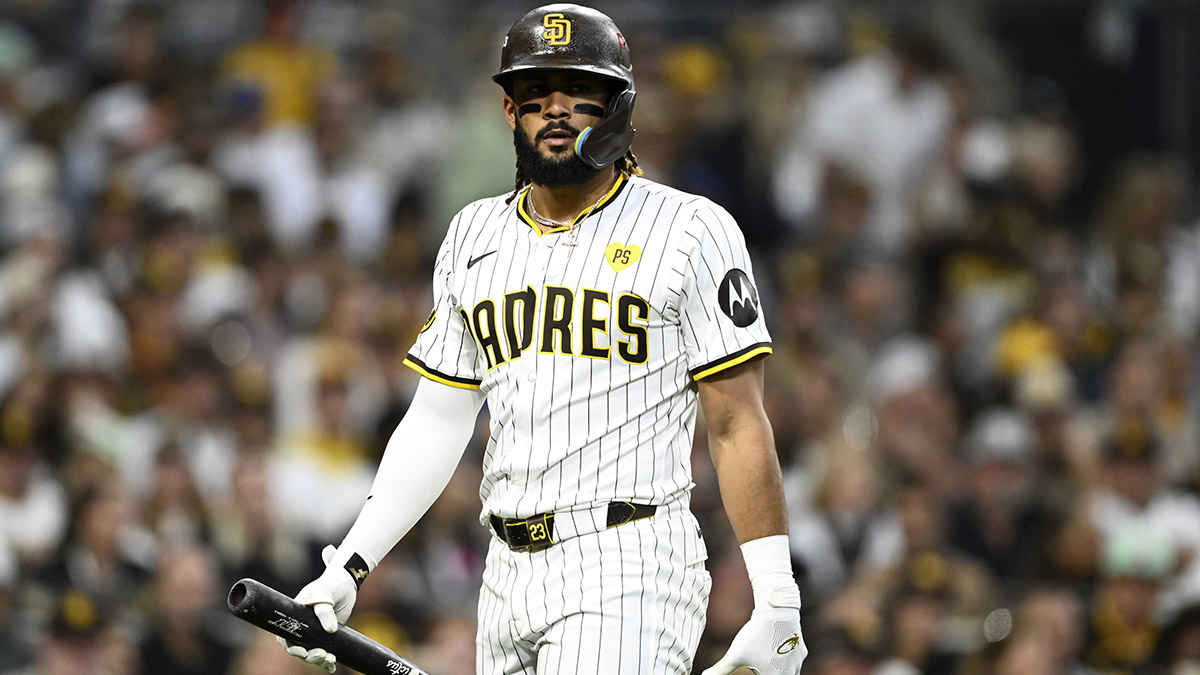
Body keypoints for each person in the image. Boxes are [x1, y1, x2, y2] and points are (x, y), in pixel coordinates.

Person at [277, 5, 807, 674]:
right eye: (534, 95)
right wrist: (350, 564)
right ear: (509, 113)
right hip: (503, 573)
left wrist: (777, 597)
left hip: (628, 556)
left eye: (577, 93)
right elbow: (438, 418)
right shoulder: (474, 234)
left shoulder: (690, 229)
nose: (554, 110)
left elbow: (735, 421)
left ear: (617, 107)